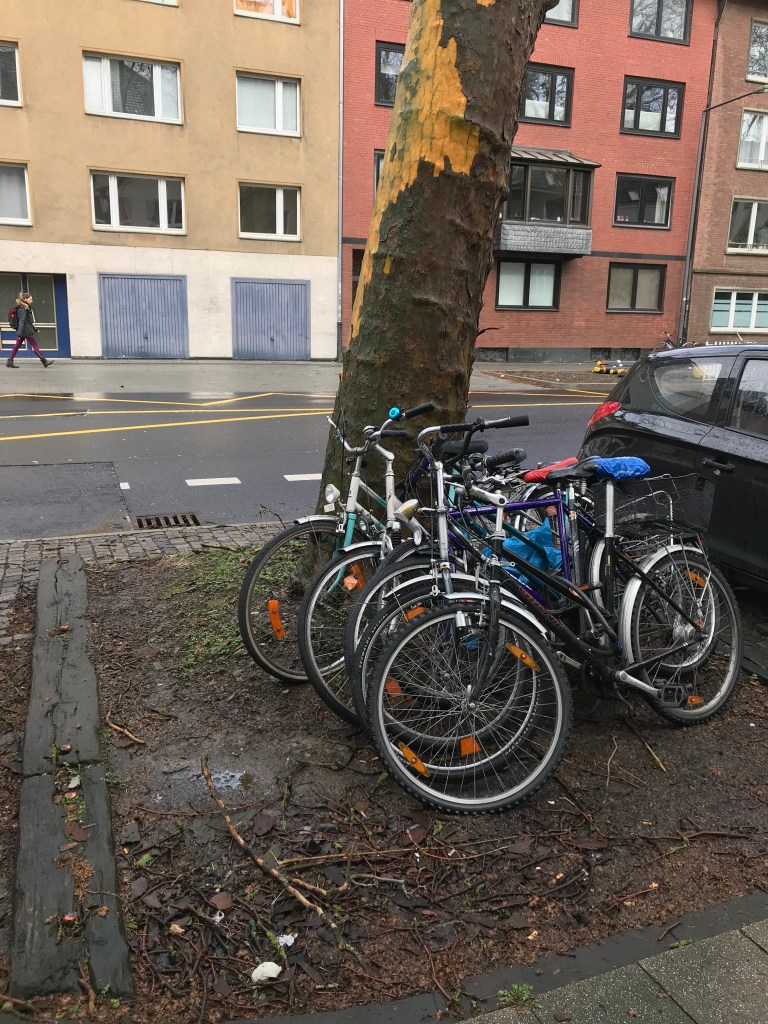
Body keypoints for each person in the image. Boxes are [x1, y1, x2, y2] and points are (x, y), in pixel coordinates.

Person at [6, 293, 54, 368]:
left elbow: (28, 321)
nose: (32, 300)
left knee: (17, 346)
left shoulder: (25, 307)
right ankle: (44, 361)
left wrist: (33, 328)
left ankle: (10, 361)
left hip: (24, 330)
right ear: (25, 299)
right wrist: (20, 333)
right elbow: (22, 321)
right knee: (34, 345)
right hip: (25, 331)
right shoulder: (23, 309)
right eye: (30, 299)